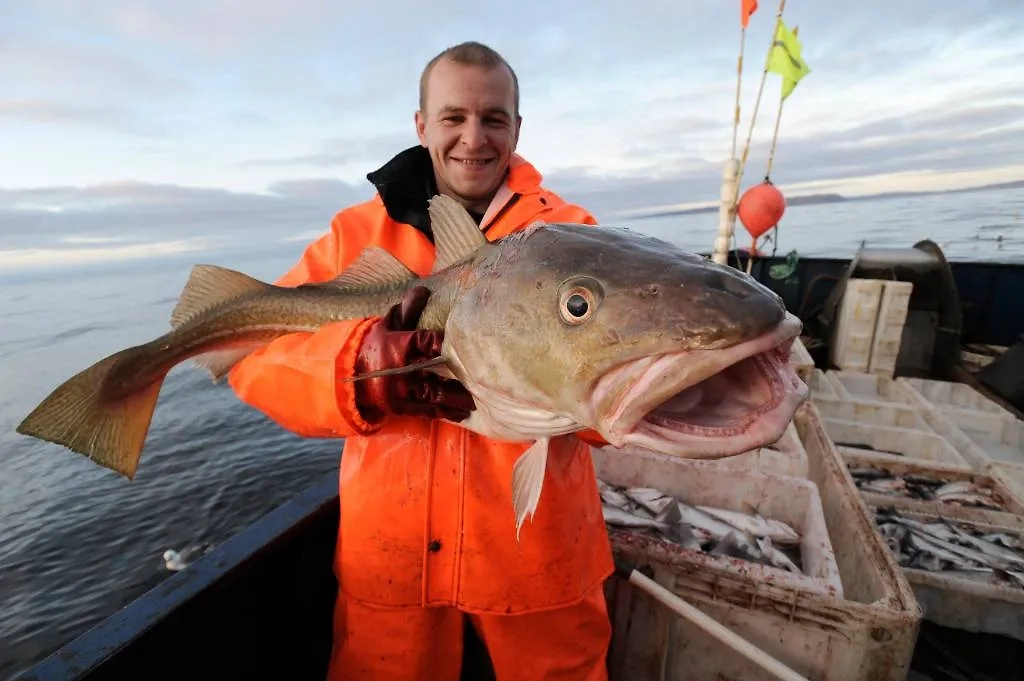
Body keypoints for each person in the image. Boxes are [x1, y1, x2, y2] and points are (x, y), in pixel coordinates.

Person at [228, 41, 615, 681]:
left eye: (494, 118)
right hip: (392, 560)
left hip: (539, 554)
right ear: (421, 125)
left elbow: (617, 386)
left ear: (518, 128)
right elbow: (256, 358)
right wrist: (358, 373)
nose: (474, 137)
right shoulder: (355, 237)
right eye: (453, 117)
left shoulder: (572, 236)